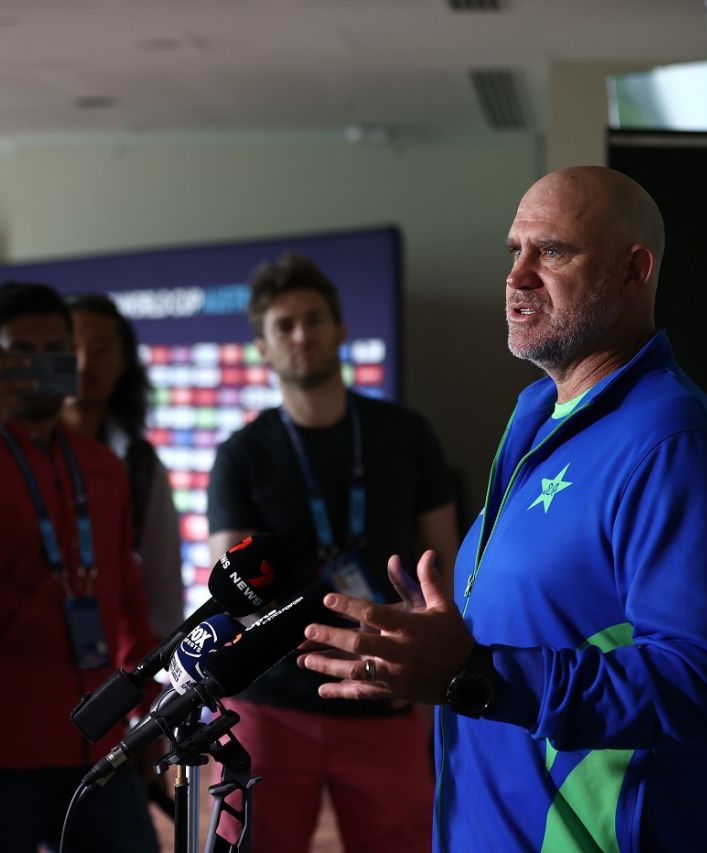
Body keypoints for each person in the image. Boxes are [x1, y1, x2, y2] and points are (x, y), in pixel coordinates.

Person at [299, 166, 707, 852]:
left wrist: (478, 673)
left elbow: (701, 689)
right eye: (513, 251)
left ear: (633, 270)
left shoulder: (680, 446)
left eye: (551, 251)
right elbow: (553, 622)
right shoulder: (534, 414)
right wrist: (430, 645)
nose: (518, 276)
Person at [207, 252, 459, 852]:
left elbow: (446, 569)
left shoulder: (407, 435)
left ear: (342, 329)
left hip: (383, 695)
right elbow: (232, 595)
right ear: (263, 349)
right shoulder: (242, 455)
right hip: (268, 709)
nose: (303, 335)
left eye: (315, 319)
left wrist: (424, 666)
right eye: (285, 326)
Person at [0, 281, 159, 853]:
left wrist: (147, 711)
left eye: (56, 350)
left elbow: (126, 602)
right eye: (22, 352)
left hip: (97, 739)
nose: (43, 365)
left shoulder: (103, 468)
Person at [61, 292, 184, 641]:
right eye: (70, 346)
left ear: (123, 362)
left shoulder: (140, 465)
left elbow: (162, 586)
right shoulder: (13, 453)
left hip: (113, 663)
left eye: (100, 348)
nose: (84, 362)